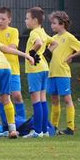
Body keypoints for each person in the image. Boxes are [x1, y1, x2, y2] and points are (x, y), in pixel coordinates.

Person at [48, 11, 80, 136]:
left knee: (67, 99)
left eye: (54, 23)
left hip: (63, 73)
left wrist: (71, 56)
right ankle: (53, 127)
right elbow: (47, 54)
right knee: (54, 99)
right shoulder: (53, 39)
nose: (52, 25)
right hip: (52, 73)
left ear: (62, 24)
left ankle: (70, 128)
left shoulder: (69, 37)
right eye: (51, 23)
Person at [23, 7, 58, 139]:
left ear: (35, 20)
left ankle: (37, 132)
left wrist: (31, 54)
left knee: (36, 100)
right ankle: (44, 131)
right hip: (44, 68)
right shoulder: (43, 32)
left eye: (27, 18)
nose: (26, 21)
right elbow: (54, 42)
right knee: (43, 99)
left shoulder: (34, 33)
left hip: (35, 69)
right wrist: (46, 54)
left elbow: (37, 43)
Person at [0, 7, 26, 128]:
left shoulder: (14, 31)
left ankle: (22, 122)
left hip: (13, 69)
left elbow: (12, 48)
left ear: (9, 20)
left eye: (3, 19)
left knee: (16, 95)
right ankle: (6, 124)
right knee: (2, 97)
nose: (0, 21)